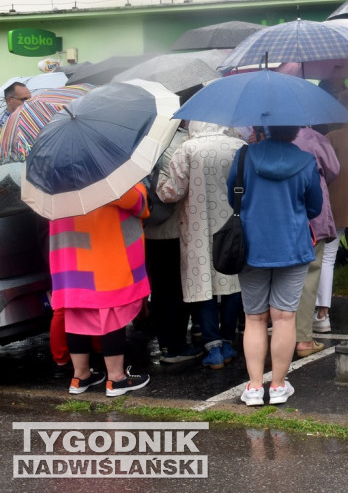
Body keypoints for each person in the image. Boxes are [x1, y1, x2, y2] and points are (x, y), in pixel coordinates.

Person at [229, 125, 322, 406]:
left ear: (264, 128)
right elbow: (314, 206)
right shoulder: (306, 160)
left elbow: (233, 194)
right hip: (292, 246)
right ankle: (279, 385)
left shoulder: (244, 155)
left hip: (251, 245)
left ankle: (255, 387)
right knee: (284, 318)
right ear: (294, 130)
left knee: (255, 318)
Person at [158, 121, 247, 369]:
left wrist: (161, 179)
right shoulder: (241, 147)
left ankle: (213, 346)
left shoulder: (186, 149)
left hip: (197, 228)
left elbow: (171, 193)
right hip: (234, 227)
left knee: (202, 283)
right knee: (233, 282)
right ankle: (228, 339)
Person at [51, 183, 152, 396]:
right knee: (111, 315)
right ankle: (116, 379)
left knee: (76, 315)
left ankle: (80, 377)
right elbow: (137, 203)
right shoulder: (104, 178)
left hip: (72, 256)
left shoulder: (55, 182)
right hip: (104, 255)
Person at [146, 120, 201, 365]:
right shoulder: (180, 143)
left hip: (148, 228)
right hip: (174, 228)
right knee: (177, 288)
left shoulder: (144, 142)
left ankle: (166, 343)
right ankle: (177, 345)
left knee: (158, 288)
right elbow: (177, 187)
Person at [292, 126, 340, 357]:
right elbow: (333, 170)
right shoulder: (314, 139)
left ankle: (272, 334)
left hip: (274, 219)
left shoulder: (259, 144)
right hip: (312, 219)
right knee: (309, 274)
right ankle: (302, 337)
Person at [318, 88, 348, 330]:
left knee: (327, 258)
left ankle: (322, 313)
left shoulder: (331, 137)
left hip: (334, 204)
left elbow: (326, 170)